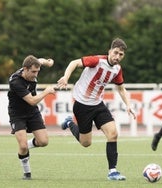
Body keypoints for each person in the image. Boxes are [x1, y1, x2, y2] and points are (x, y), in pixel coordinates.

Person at [57, 38, 136, 180]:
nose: (117, 57)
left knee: (113, 134)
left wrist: (128, 105)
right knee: (86, 143)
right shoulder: (96, 61)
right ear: (109, 51)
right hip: (82, 104)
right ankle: (69, 123)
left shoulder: (117, 69)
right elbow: (74, 63)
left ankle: (112, 171)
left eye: (121, 55)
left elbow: (121, 88)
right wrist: (66, 76)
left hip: (98, 104)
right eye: (116, 53)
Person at [8, 55, 57, 180]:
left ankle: (24, 145)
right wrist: (46, 91)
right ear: (25, 69)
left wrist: (48, 62)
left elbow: (39, 61)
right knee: (23, 146)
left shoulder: (32, 66)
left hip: (32, 112)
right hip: (17, 114)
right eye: (33, 72)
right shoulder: (15, 82)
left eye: (38, 71)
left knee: (43, 142)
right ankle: (27, 172)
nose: (36, 75)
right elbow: (32, 101)